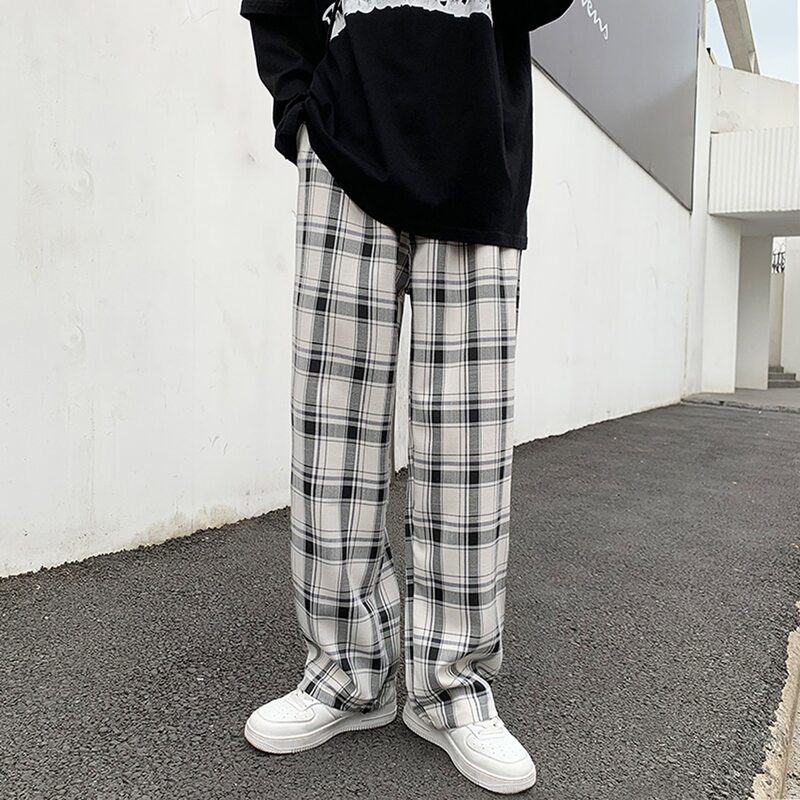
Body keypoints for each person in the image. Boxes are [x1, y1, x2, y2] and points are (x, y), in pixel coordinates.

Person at [239, 0, 574, 793]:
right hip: (344, 134)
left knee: (467, 442)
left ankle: (449, 686)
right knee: (333, 428)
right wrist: (300, 114)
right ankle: (346, 673)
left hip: (477, 142)